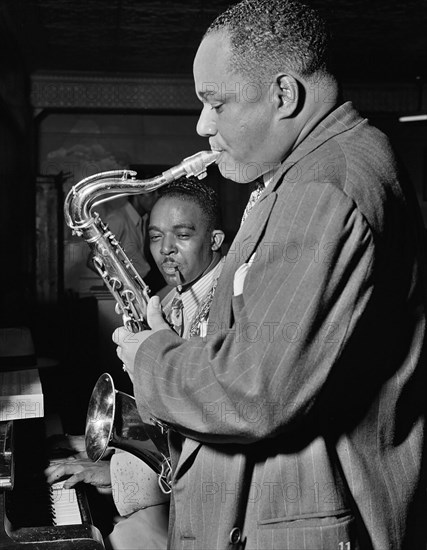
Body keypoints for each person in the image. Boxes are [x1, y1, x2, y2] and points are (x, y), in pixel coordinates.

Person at [113, 1, 427, 549]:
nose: (202, 125)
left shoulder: (323, 188)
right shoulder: (310, 172)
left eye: (215, 103)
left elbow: (253, 390)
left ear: (284, 95)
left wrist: (151, 357)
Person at [46, 177, 225, 550]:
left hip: (212, 505)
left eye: (183, 235)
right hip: (173, 485)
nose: (166, 250)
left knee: (116, 538)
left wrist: (114, 470)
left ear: (216, 241)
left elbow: (209, 432)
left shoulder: (226, 308)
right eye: (157, 237)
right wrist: (114, 452)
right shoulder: (165, 298)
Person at [87, 191, 164, 293]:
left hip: (145, 284)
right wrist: (123, 285)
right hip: (133, 287)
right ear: (137, 194)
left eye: (157, 193)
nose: (156, 197)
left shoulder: (143, 219)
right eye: (151, 193)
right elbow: (93, 261)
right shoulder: (118, 219)